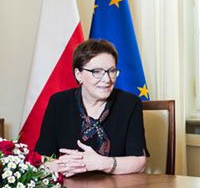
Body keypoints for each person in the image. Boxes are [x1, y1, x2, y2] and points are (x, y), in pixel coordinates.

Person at [35, 39, 147, 176]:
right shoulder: (59, 103)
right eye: (97, 72)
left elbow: (139, 162)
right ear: (78, 75)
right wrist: (67, 165)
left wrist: (101, 163)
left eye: (112, 71)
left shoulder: (130, 103)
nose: (107, 79)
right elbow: (42, 157)